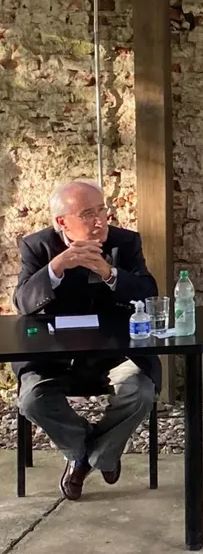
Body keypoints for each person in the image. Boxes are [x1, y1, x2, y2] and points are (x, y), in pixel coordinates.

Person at [13, 179, 160, 501]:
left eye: (102, 211)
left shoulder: (125, 243)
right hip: (53, 355)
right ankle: (81, 449)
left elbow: (149, 293)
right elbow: (23, 303)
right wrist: (55, 268)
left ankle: (95, 457)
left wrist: (110, 274)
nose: (99, 221)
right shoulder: (37, 247)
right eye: (88, 214)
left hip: (114, 354)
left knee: (141, 391)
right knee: (31, 401)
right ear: (62, 222)